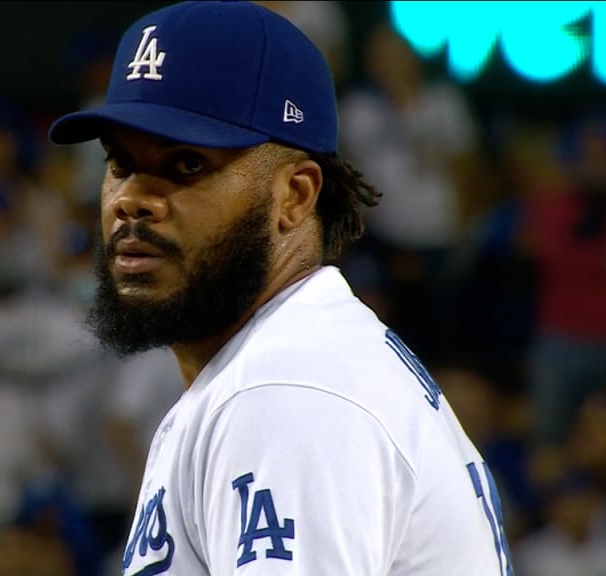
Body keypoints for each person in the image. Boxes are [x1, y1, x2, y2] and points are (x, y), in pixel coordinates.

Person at [47, 2, 513, 574]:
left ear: (293, 197)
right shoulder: (287, 363)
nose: (131, 199)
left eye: (187, 164)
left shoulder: (289, 391)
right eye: (120, 163)